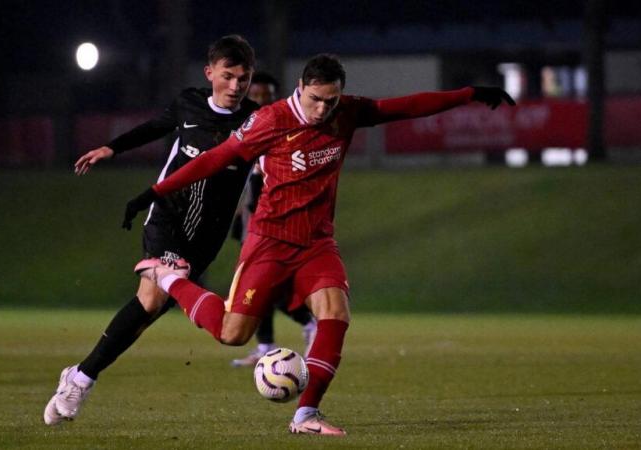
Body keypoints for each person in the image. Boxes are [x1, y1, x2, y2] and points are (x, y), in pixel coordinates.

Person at [122, 54, 515, 435]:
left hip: (316, 243)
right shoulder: (269, 120)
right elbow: (214, 158)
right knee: (232, 334)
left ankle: (306, 414)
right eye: (316, 99)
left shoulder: (347, 111)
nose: (322, 109)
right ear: (300, 88)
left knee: (336, 314)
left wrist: (468, 94)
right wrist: (154, 192)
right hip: (269, 243)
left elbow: (407, 106)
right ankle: (166, 277)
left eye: (331, 100)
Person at [43, 35, 259, 426]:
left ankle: (78, 375)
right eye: (227, 76)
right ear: (210, 72)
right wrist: (112, 148)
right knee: (153, 294)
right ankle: (82, 380)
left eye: (243, 79)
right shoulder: (188, 103)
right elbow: (155, 127)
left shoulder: (256, 121)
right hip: (169, 215)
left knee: (152, 304)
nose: (234, 86)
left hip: (206, 235)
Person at [230, 71, 316, 368]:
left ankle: (307, 322)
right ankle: (267, 344)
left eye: (266, 95)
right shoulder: (245, 124)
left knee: (265, 284)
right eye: (255, 95)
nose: (260, 100)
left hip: (272, 217)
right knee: (257, 285)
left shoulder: (282, 125)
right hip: (250, 214)